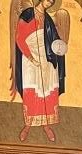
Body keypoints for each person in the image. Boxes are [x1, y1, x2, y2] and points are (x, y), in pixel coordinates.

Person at [11, 0, 68, 143]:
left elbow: (54, 40)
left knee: (47, 90)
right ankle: (27, 125)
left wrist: (60, 48)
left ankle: (46, 125)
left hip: (47, 58)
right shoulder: (27, 14)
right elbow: (19, 38)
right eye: (48, 0)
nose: (49, 3)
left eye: (52, 2)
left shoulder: (48, 19)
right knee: (32, 89)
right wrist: (31, 57)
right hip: (30, 56)